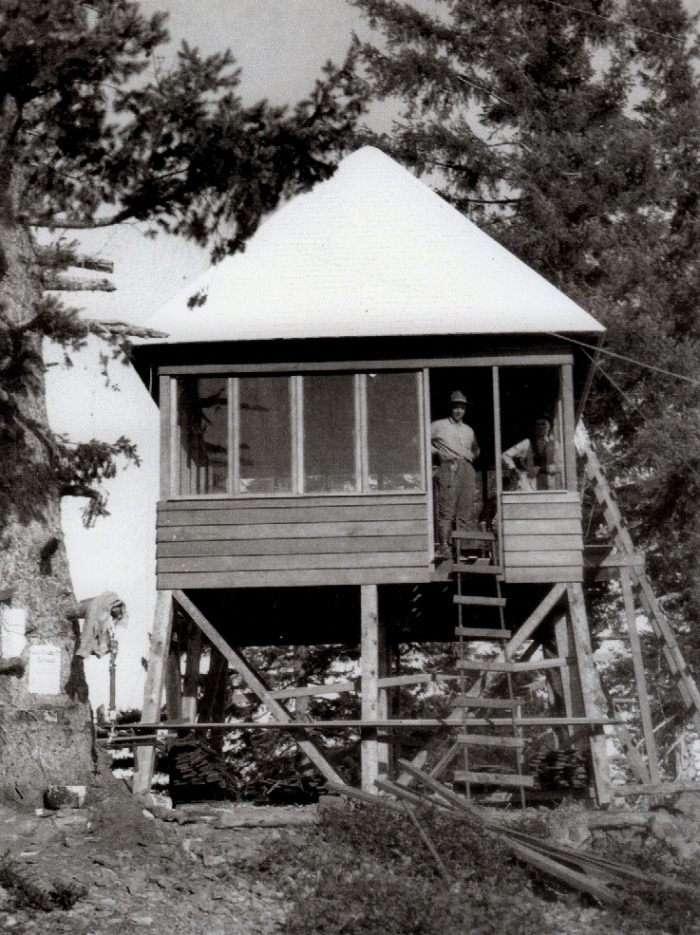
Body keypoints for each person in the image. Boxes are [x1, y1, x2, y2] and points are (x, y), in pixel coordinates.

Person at [431, 391, 480, 560]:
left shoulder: (469, 430)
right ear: (450, 408)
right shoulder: (438, 425)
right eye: (456, 407)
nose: (459, 411)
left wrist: (472, 456)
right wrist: (437, 453)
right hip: (449, 467)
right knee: (447, 509)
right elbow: (418, 440)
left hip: (467, 467)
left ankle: (459, 548)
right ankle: (444, 547)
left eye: (462, 408)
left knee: (465, 509)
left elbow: (476, 449)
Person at [501, 415, 561, 491]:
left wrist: (542, 468)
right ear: (534, 428)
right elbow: (505, 455)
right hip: (529, 486)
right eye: (537, 425)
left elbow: (560, 467)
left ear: (548, 427)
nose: (540, 427)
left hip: (549, 487)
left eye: (543, 424)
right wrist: (514, 469)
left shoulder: (555, 445)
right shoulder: (527, 443)